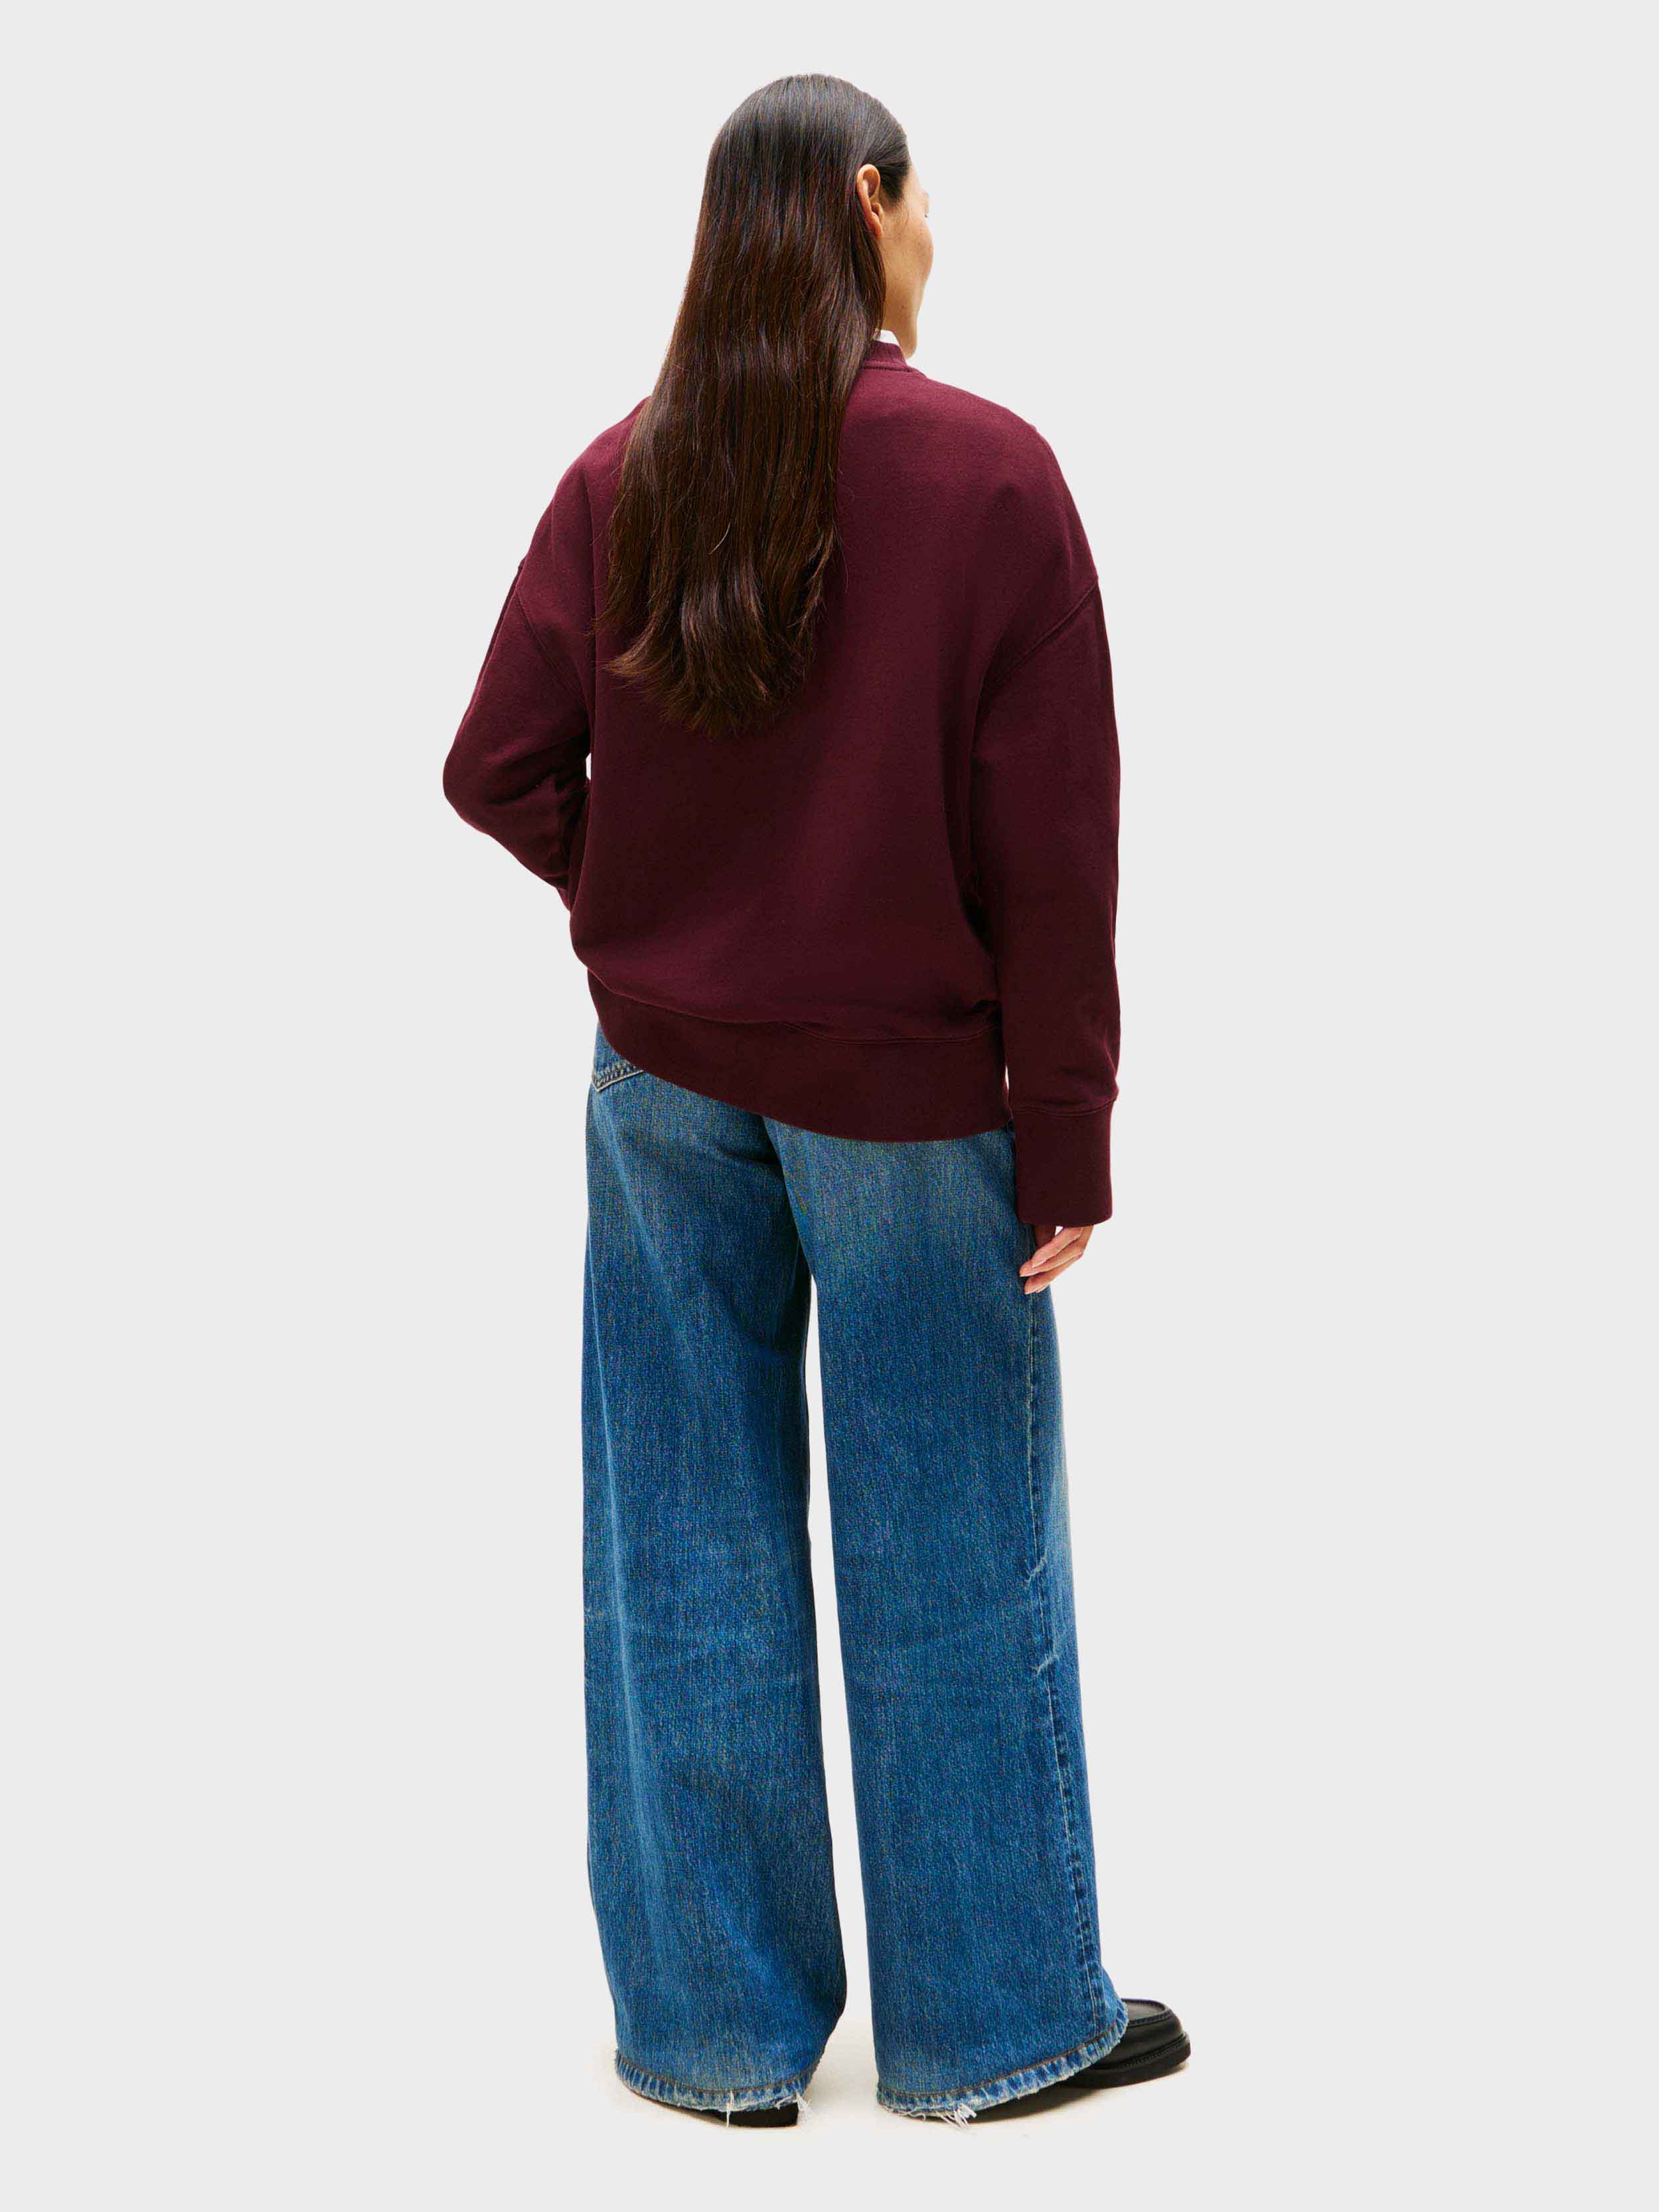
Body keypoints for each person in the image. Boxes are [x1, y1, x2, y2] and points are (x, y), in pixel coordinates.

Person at [443, 72, 1186, 2126]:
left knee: (680, 1526)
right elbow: (1053, 851)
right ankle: (991, 2032)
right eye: (920, 197)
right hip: (907, 1095)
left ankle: (711, 2036)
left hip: (662, 1084)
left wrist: (648, 914)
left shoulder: (626, 472)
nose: (933, 233)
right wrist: (1068, 1127)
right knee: (948, 1529)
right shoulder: (989, 475)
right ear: (867, 199)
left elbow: (495, 766)